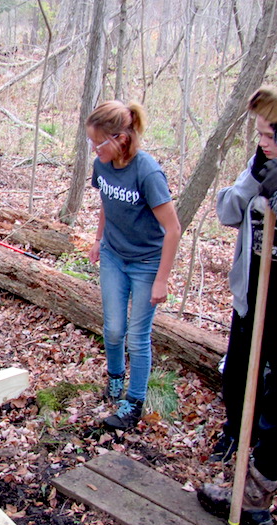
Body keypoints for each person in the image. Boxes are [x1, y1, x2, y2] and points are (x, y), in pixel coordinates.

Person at [198, 89, 277, 525]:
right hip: (254, 291)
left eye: (271, 134)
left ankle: (257, 488)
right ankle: (239, 456)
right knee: (240, 374)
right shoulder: (261, 165)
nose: (264, 142)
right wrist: (255, 179)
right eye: (259, 134)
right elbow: (227, 212)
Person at [86, 100, 182, 431]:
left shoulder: (147, 172)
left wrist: (162, 280)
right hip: (114, 254)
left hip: (146, 263)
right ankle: (114, 380)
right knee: (113, 329)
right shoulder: (102, 165)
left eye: (97, 143)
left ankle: (134, 402)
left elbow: (173, 229)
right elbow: (105, 203)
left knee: (137, 338)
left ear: (121, 140)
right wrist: (99, 240)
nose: (93, 149)